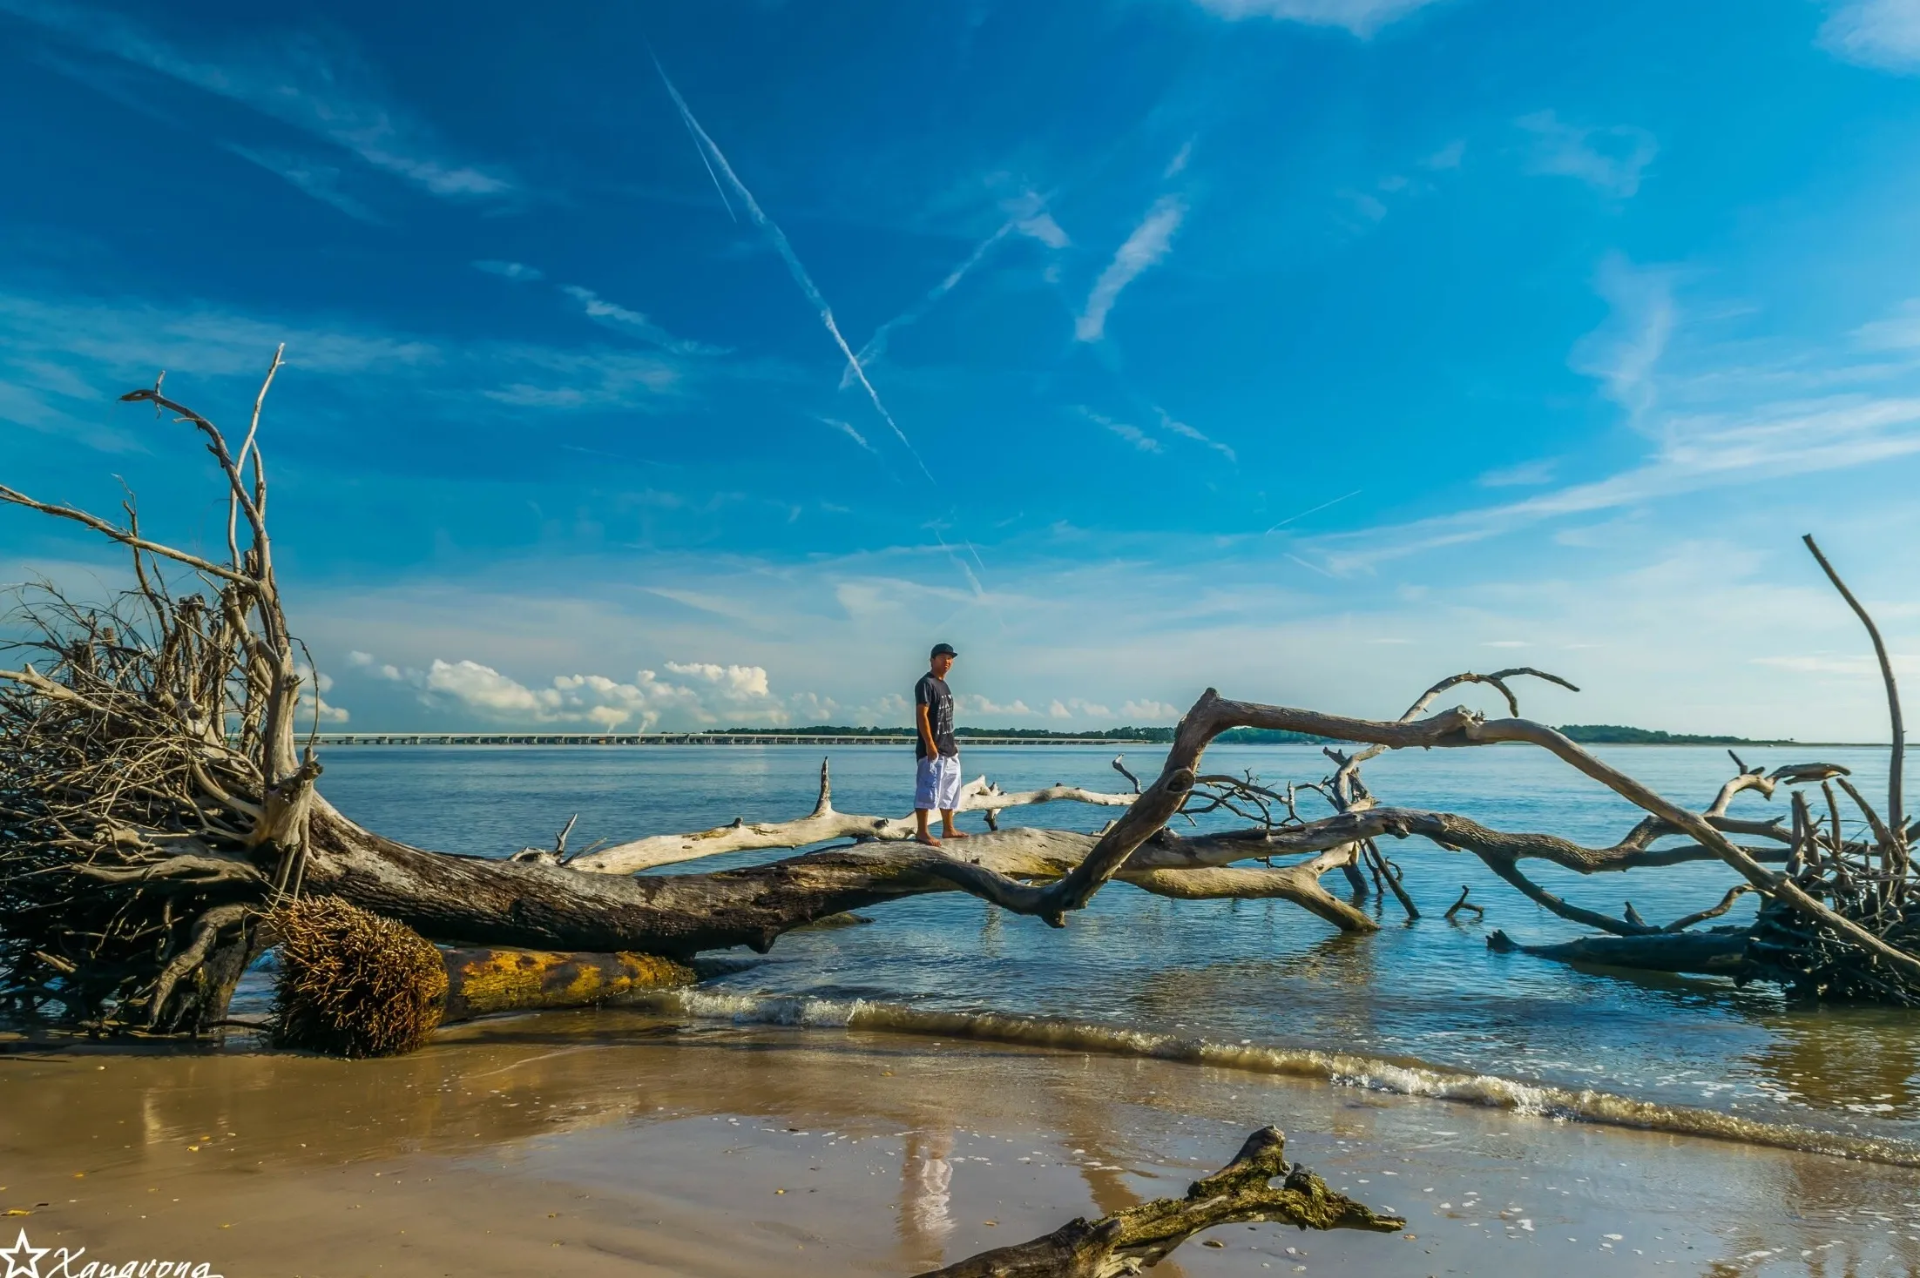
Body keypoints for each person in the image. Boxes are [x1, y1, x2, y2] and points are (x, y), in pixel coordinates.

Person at [913, 642, 966, 846]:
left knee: (950, 790)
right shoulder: (926, 683)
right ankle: (922, 831)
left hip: (948, 749)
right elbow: (922, 715)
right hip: (932, 749)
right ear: (932, 660)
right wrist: (929, 744)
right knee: (927, 790)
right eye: (943, 657)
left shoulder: (943, 685)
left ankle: (948, 828)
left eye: (950, 658)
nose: (947, 661)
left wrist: (952, 744)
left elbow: (946, 718)